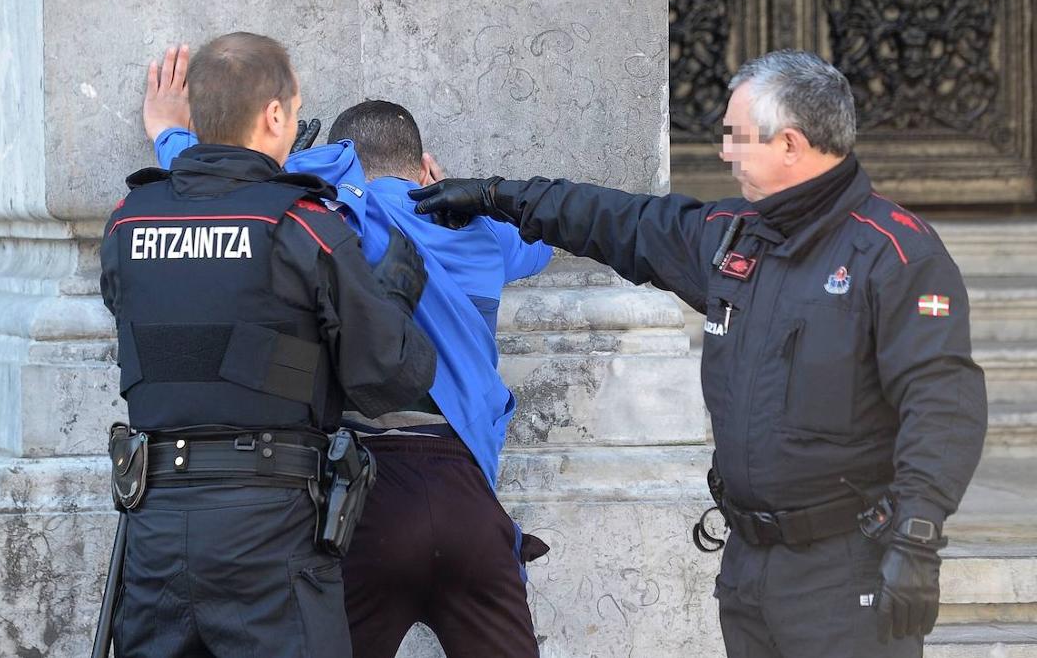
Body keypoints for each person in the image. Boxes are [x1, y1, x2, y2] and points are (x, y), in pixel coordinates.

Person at [408, 50, 988, 658]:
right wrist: (497, 197)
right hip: (750, 568)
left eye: (736, 137)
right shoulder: (732, 235)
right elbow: (616, 220)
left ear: (790, 144)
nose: (723, 153)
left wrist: (918, 536)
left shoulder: (895, 255)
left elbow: (942, 402)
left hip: (845, 570)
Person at [144, 48, 553, 657]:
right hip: (468, 494)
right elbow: (539, 241)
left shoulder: (321, 215)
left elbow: (228, 200)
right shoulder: (480, 235)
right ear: (422, 169)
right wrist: (452, 203)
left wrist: (169, 132)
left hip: (362, 494)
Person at [99, 33, 437, 658]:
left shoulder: (128, 221)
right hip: (269, 530)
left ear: (195, 120)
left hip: (155, 525)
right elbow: (388, 377)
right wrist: (394, 293)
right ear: (276, 115)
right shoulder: (303, 224)